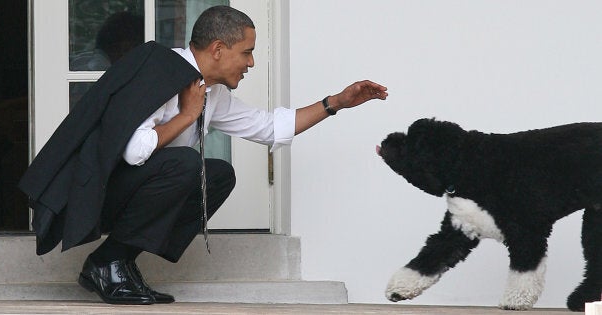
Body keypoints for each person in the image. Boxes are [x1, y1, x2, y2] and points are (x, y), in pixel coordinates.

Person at [19, 5, 387, 305]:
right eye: (247, 52)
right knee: (185, 164)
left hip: (129, 191)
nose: (251, 63)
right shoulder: (159, 71)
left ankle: (114, 261)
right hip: (92, 196)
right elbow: (133, 151)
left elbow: (269, 127)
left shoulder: (210, 90)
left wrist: (336, 103)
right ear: (217, 50)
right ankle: (108, 262)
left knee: (219, 173)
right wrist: (186, 116)